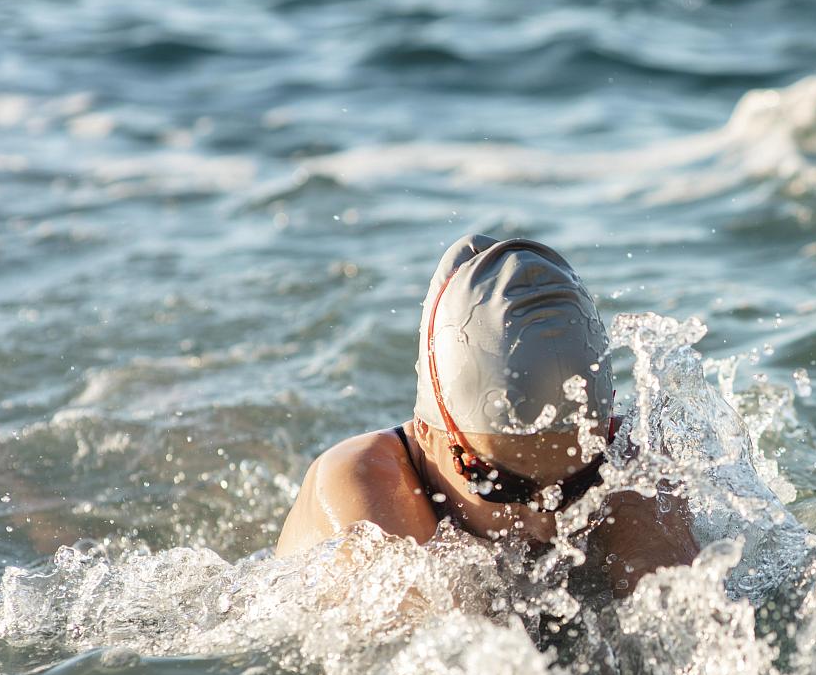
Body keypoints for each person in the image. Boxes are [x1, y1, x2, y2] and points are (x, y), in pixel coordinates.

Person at [275, 234, 697, 596]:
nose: (544, 521)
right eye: (499, 483)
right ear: (428, 432)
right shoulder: (361, 484)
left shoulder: (627, 465)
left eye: (579, 483)